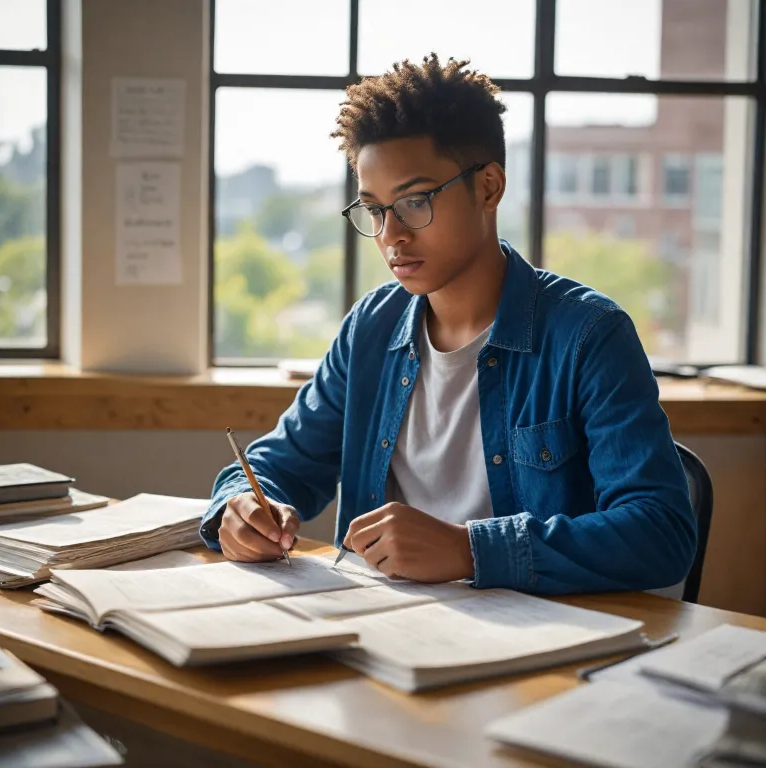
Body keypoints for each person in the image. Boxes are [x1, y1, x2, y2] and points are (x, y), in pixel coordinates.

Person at [200, 54, 696, 594]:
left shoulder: (589, 336)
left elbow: (660, 534)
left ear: (489, 187)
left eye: (415, 202)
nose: (391, 235)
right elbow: (277, 465)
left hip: (537, 636)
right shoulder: (371, 328)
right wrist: (242, 506)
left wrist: (469, 549)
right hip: (378, 626)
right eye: (374, 209)